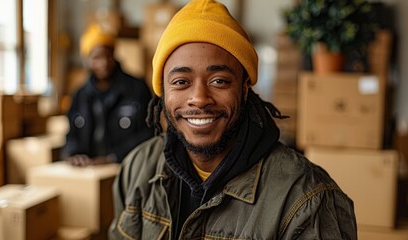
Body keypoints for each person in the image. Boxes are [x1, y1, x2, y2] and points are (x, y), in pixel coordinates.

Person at [109, 0, 357, 239]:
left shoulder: (305, 198)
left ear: (245, 88)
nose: (199, 98)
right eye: (181, 82)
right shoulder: (136, 170)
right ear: (163, 92)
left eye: (219, 81)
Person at [61, 23, 153, 167]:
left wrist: (113, 157)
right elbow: (72, 135)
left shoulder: (137, 88)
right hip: (92, 172)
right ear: (88, 60)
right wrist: (74, 153)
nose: (103, 63)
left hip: (129, 168)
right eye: (96, 57)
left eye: (108, 55)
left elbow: (149, 134)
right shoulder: (79, 96)